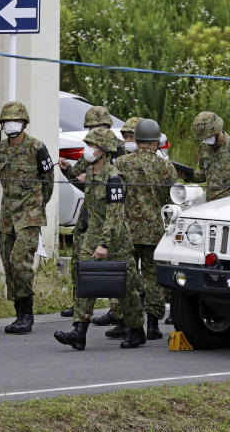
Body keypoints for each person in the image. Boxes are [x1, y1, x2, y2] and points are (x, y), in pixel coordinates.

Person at [54, 128, 146, 350]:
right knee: (85, 282)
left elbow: (116, 215)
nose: (88, 149)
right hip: (92, 235)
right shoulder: (92, 173)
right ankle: (79, 331)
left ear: (103, 152)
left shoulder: (113, 177)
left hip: (116, 240)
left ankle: (136, 330)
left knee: (127, 288)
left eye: (92, 146)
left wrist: (104, 244)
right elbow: (85, 188)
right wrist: (68, 172)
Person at [58, 106, 124, 322]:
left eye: (98, 126)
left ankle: (118, 311)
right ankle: (80, 305)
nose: (94, 131)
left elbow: (121, 181)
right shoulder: (91, 149)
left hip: (112, 212)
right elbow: (79, 175)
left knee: (116, 262)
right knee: (80, 257)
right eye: (91, 127)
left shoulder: (117, 149)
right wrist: (68, 169)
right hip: (91, 212)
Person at [115, 119, 177, 340]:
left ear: (138, 139)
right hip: (154, 231)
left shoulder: (122, 163)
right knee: (153, 278)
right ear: (156, 141)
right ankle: (153, 325)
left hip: (128, 230)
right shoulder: (166, 166)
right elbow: (172, 199)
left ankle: (130, 323)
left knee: (129, 277)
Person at [0, 101, 54, 334]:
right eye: (7, 121)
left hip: (30, 213)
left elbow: (48, 181)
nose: (11, 125)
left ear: (24, 123)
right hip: (8, 212)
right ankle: (18, 310)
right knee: (7, 260)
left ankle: (27, 313)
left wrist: (37, 205)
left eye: (16, 121)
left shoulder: (37, 147)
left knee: (20, 260)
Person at [182, 111, 230, 202]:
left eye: (208, 137)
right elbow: (203, 175)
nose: (206, 140)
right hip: (210, 204)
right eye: (203, 138)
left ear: (218, 131)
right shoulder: (204, 147)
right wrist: (187, 176)